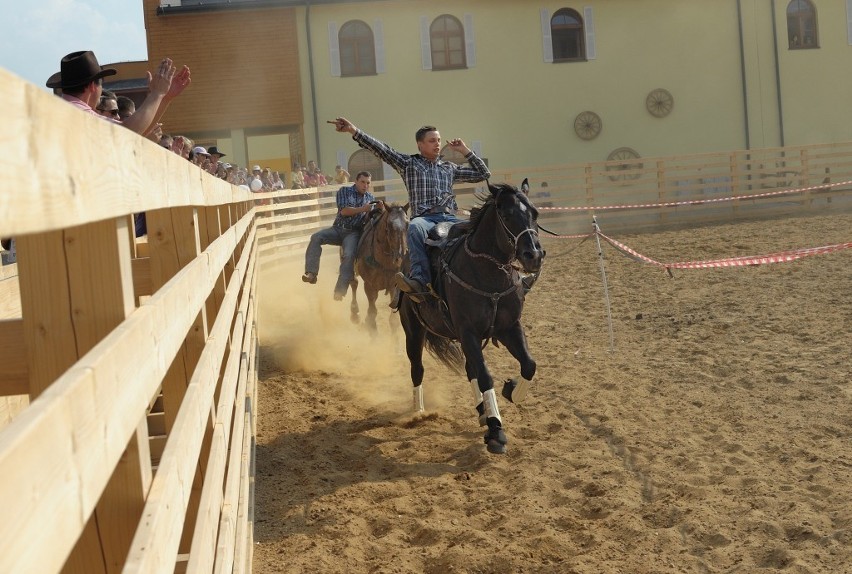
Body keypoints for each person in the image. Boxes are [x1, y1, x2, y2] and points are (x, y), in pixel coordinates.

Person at [331, 117, 491, 302]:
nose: (437, 144)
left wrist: (465, 150)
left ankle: (489, 277)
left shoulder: (449, 168)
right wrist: (353, 130)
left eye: (438, 140)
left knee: (478, 229)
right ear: (420, 145)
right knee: (413, 228)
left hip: (450, 216)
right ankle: (420, 280)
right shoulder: (409, 164)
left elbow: (483, 173)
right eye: (432, 141)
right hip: (425, 218)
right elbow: (383, 150)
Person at [46, 50, 190, 136]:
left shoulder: (69, 108)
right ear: (92, 86)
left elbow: (138, 132)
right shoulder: (77, 111)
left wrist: (164, 98)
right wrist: (157, 94)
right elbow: (127, 133)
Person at [302, 171, 381, 301]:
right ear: (356, 181)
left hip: (354, 233)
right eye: (362, 182)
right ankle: (311, 273)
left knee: (349, 255)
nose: (365, 185)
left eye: (368, 183)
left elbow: (371, 216)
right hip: (337, 229)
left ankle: (340, 291)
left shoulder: (371, 197)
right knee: (316, 237)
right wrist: (363, 209)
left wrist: (379, 209)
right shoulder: (344, 191)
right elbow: (344, 211)